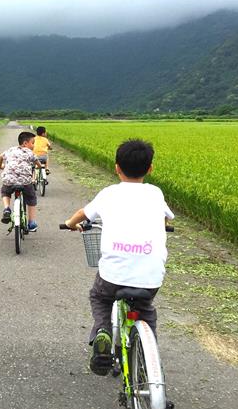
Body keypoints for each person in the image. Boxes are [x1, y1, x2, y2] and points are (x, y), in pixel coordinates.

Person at [62, 139, 173, 375]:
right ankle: (147, 362)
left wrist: (70, 224)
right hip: (150, 276)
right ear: (150, 168)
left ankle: (103, 331)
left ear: (116, 168)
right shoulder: (155, 193)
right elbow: (166, 219)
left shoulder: (109, 193)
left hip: (113, 275)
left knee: (100, 297)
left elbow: (82, 214)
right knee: (145, 309)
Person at [0, 131, 41, 231]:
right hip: (25, 182)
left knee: (5, 192)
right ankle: (31, 222)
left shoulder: (10, 150)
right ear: (25, 143)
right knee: (31, 198)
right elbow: (37, 163)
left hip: (9, 180)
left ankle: (7, 208)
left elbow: (0, 157)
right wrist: (40, 166)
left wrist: (0, 166)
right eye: (32, 143)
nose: (33, 146)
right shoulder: (30, 153)